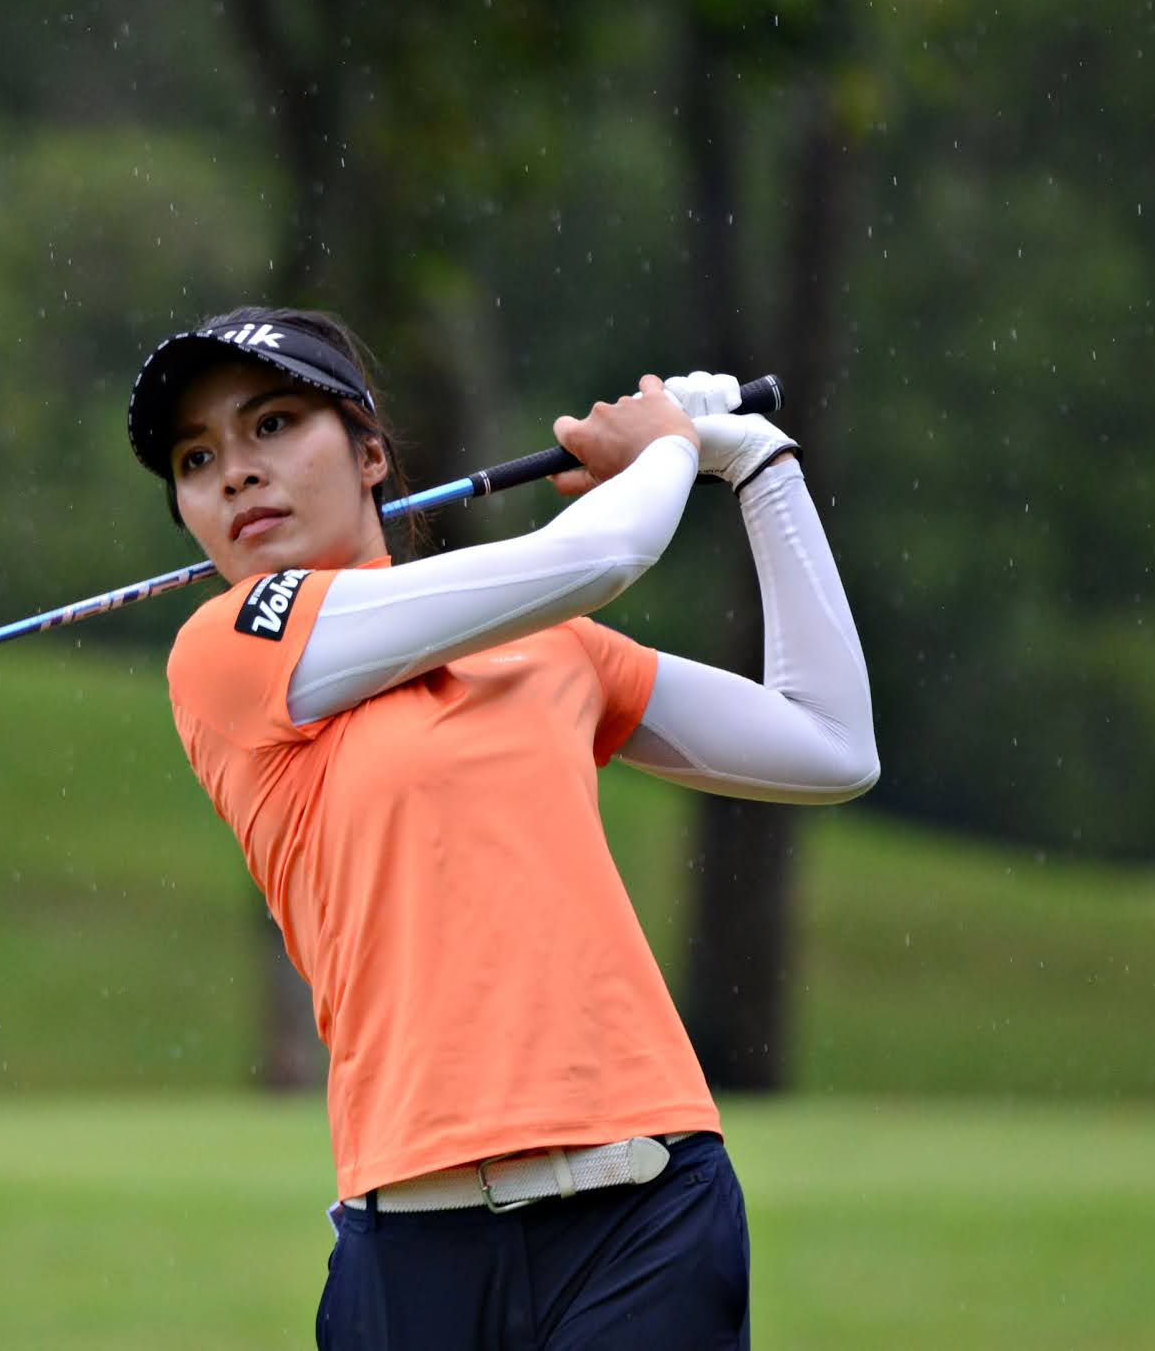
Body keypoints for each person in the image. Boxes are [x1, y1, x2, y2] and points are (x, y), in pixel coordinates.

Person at [127, 307, 878, 1349]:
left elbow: (830, 743)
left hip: (644, 1216)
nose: (236, 471)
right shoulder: (224, 653)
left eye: (273, 424)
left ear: (371, 453)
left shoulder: (553, 645)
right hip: (412, 1248)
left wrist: (755, 464)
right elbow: (604, 550)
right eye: (196, 457)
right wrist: (669, 446)